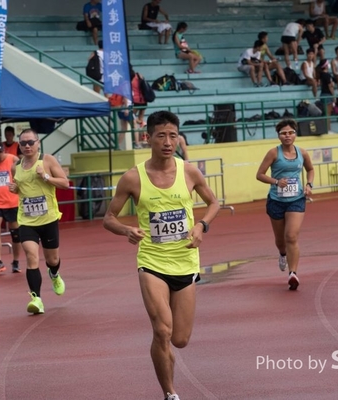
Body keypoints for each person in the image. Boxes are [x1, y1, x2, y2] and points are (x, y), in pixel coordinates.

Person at [103, 111, 220, 400]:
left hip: (185, 261)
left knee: (179, 339)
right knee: (162, 331)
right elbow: (108, 218)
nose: (168, 142)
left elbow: (214, 202)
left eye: (173, 136)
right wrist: (125, 230)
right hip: (152, 262)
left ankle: (165, 358)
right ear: (148, 138)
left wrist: (201, 224)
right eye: (161, 136)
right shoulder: (133, 177)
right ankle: (170, 393)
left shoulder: (189, 172)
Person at [8, 129, 69, 314]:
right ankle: (36, 299)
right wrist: (15, 188)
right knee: (31, 256)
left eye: (30, 142)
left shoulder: (47, 160)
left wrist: (45, 176)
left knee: (53, 259)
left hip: (48, 219)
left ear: (38, 143)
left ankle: (54, 273)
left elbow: (65, 183)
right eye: (23, 143)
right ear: (19, 145)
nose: (27, 146)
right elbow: (23, 189)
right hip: (27, 221)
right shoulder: (16, 167)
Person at [256, 118, 314, 290]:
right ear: (279, 136)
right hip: (276, 200)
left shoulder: (302, 153)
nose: (287, 136)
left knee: (291, 236)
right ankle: (282, 254)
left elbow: (310, 169)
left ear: (295, 134)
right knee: (281, 241)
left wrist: (309, 185)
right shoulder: (273, 153)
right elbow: (259, 174)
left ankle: (293, 273)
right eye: (284, 133)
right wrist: (275, 181)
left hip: (296, 199)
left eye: (290, 133)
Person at [0, 142, 22, 275]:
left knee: (16, 234)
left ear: (3, 151)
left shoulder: (13, 159)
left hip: (13, 202)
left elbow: (22, 177)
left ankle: (16, 260)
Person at [318, 59, 335, 132]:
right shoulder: (327, 75)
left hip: (323, 94)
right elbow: (330, 86)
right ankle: (328, 130)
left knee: (326, 114)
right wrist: (333, 96)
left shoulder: (321, 75)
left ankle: (327, 129)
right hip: (327, 95)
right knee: (328, 114)